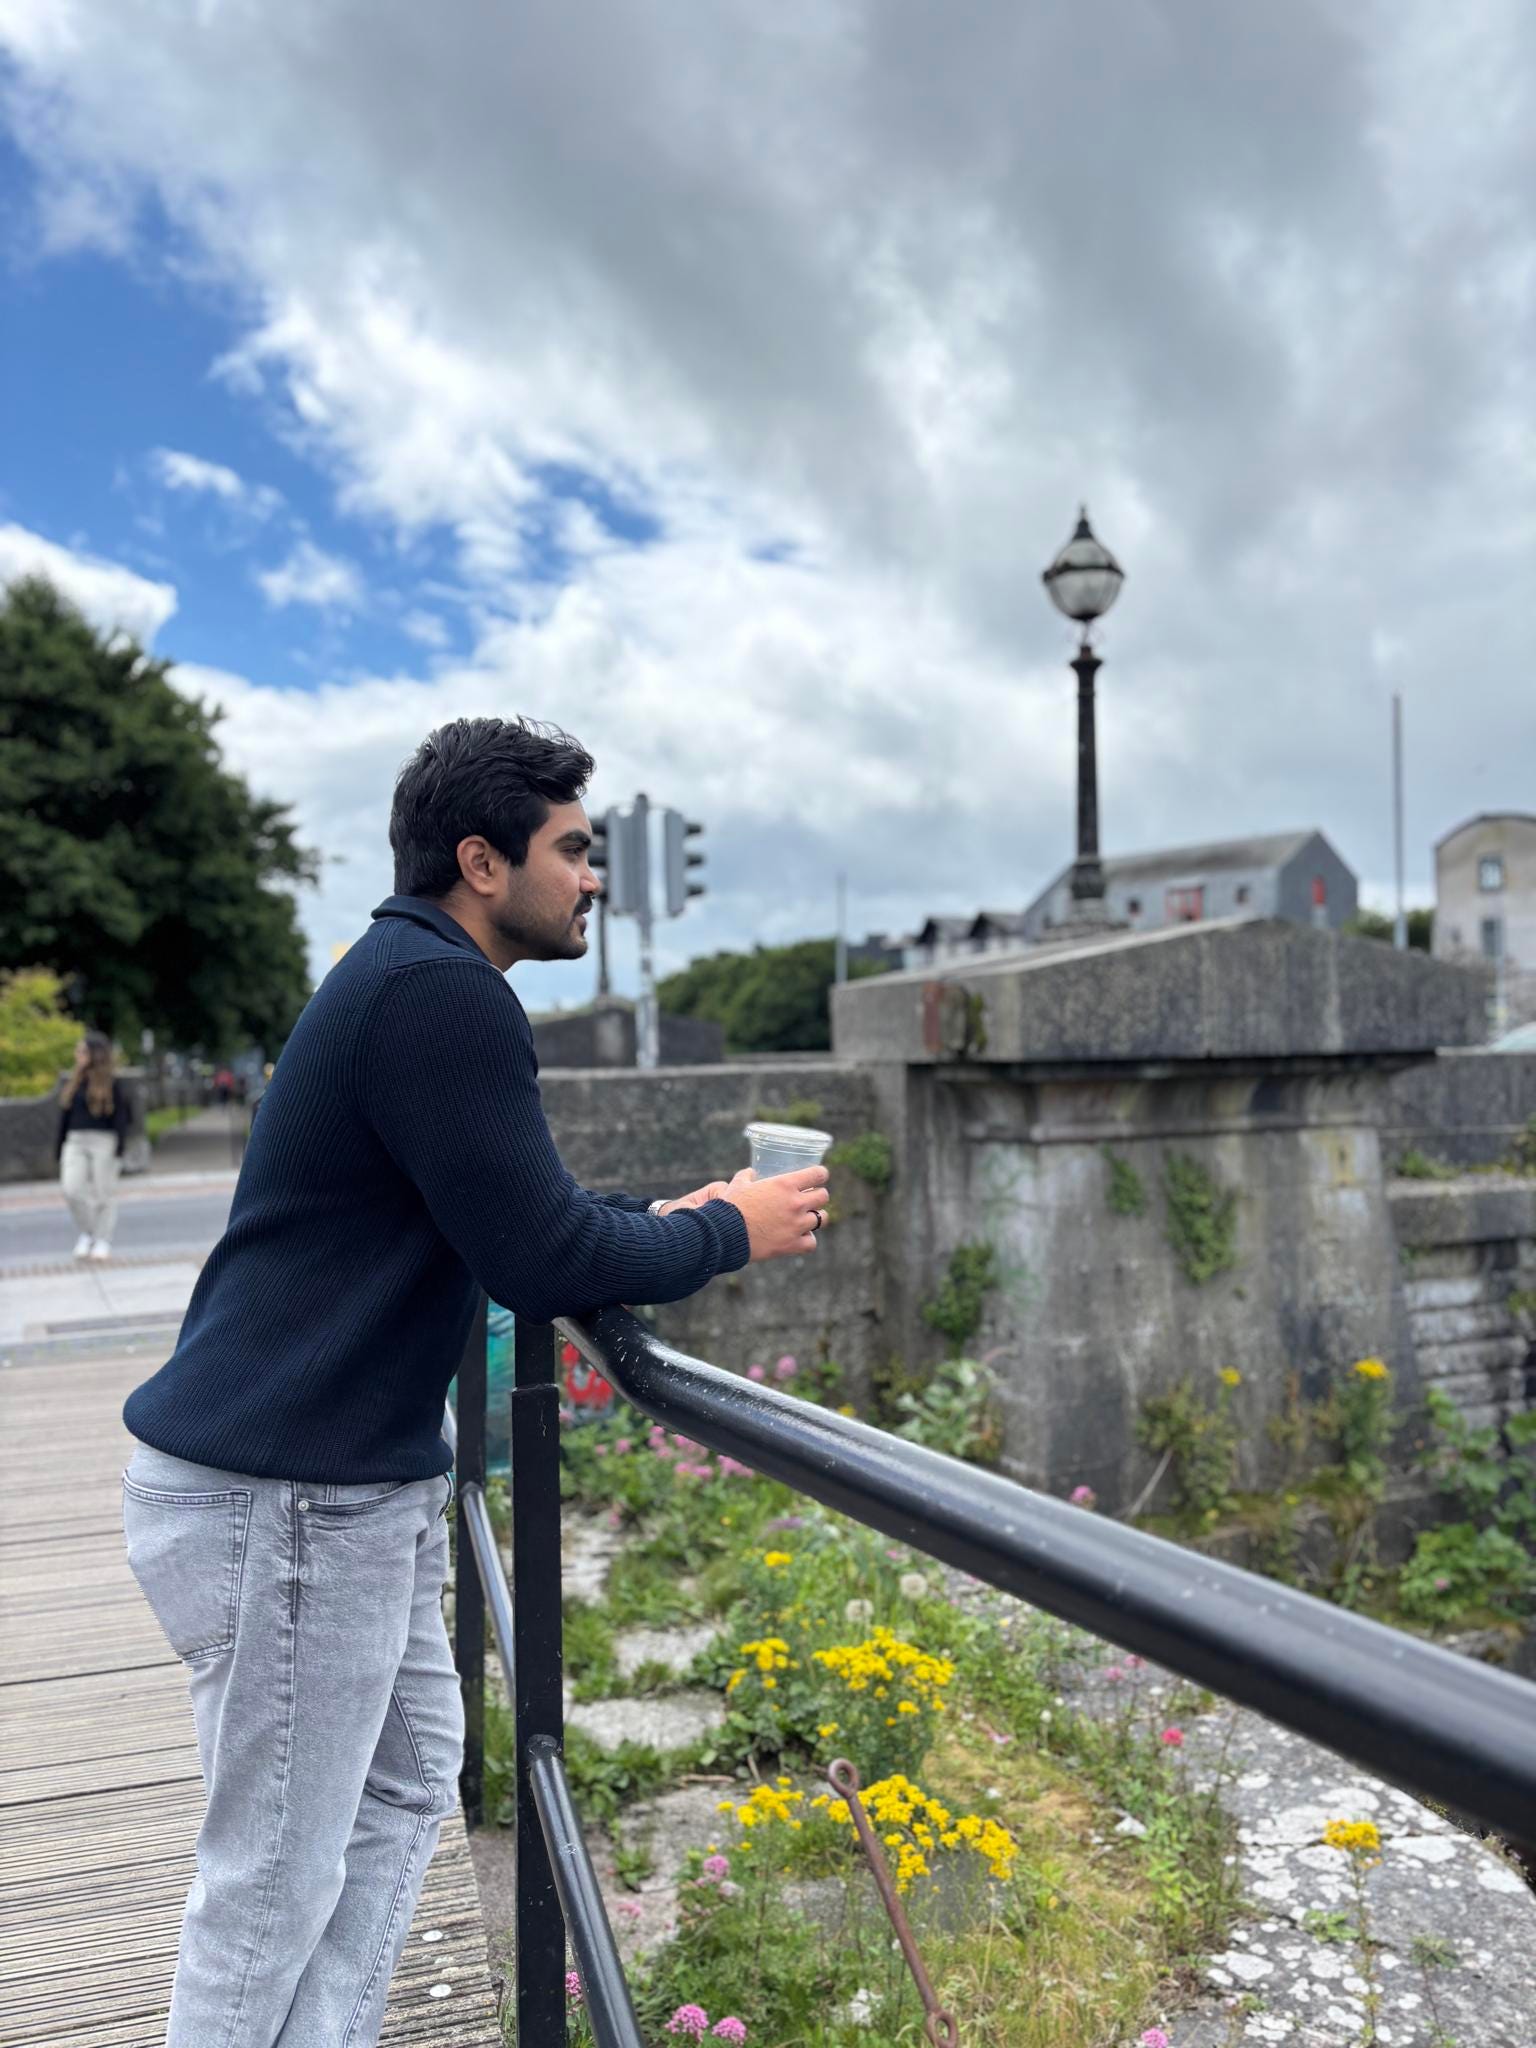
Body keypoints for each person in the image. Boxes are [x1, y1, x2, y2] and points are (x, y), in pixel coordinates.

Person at [119, 716, 829, 2048]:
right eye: (572, 849)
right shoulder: (440, 995)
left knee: (401, 1794)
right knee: (269, 1887)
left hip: (330, 1489)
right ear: (481, 862)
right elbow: (541, 1258)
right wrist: (728, 1232)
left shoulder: (407, 977)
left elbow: (520, 1209)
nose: (593, 878)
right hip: (289, 1499)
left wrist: (675, 1212)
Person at [58, 1029, 130, 1260]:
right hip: (75, 1141)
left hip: (104, 1141)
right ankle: (88, 1232)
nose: (77, 1054)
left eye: (82, 1051)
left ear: (95, 1054)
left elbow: (122, 1118)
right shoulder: (74, 1080)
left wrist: (119, 1148)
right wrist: (59, 1146)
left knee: (103, 1194)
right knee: (71, 1190)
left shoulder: (113, 1083)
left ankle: (102, 1239)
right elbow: (65, 1116)